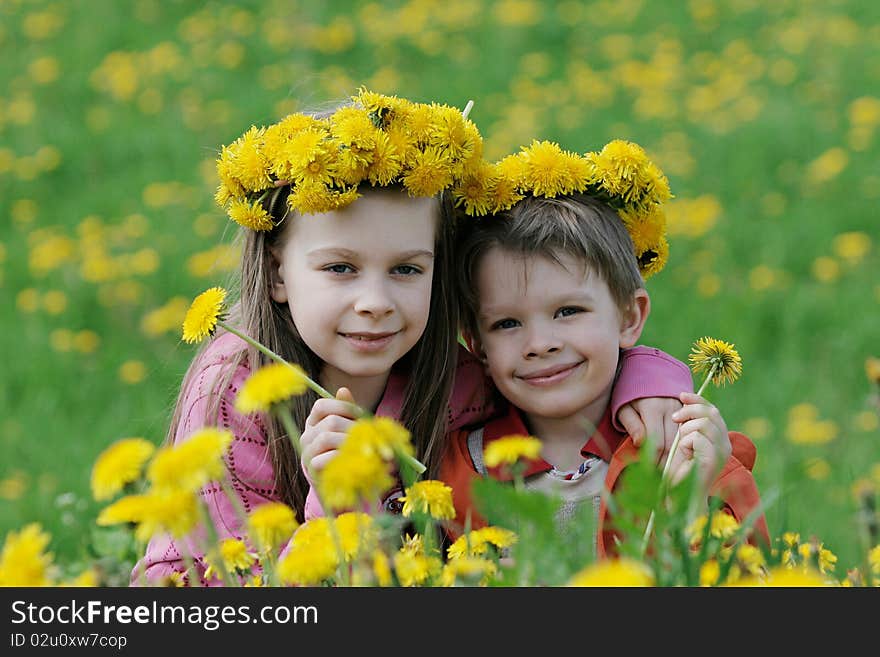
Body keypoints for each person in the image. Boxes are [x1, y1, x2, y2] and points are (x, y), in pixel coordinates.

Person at [133, 92, 692, 586]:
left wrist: (645, 379)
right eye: (340, 268)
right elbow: (235, 585)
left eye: (406, 269)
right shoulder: (237, 388)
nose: (376, 301)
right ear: (279, 273)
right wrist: (336, 503)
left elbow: (559, 379)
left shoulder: (450, 375)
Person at [440, 140, 770, 558]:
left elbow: (751, 573)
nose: (540, 345)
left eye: (568, 311)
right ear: (478, 346)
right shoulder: (459, 470)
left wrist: (694, 500)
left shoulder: (681, 451)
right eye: (507, 323)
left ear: (629, 317)